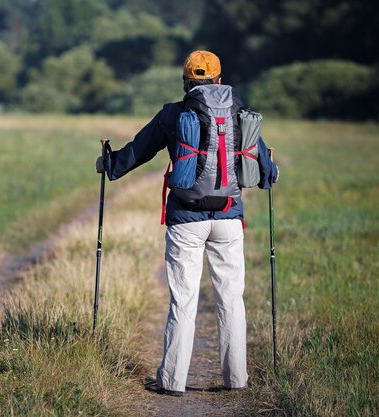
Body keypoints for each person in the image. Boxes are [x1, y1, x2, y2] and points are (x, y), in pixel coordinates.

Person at [95, 50, 279, 396]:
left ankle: (172, 381)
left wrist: (110, 165)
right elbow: (263, 165)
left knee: (183, 301)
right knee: (231, 299)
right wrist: (271, 174)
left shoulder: (173, 114)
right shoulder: (238, 112)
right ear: (219, 81)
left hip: (185, 221)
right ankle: (236, 379)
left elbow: (139, 150)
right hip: (228, 217)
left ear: (186, 82)